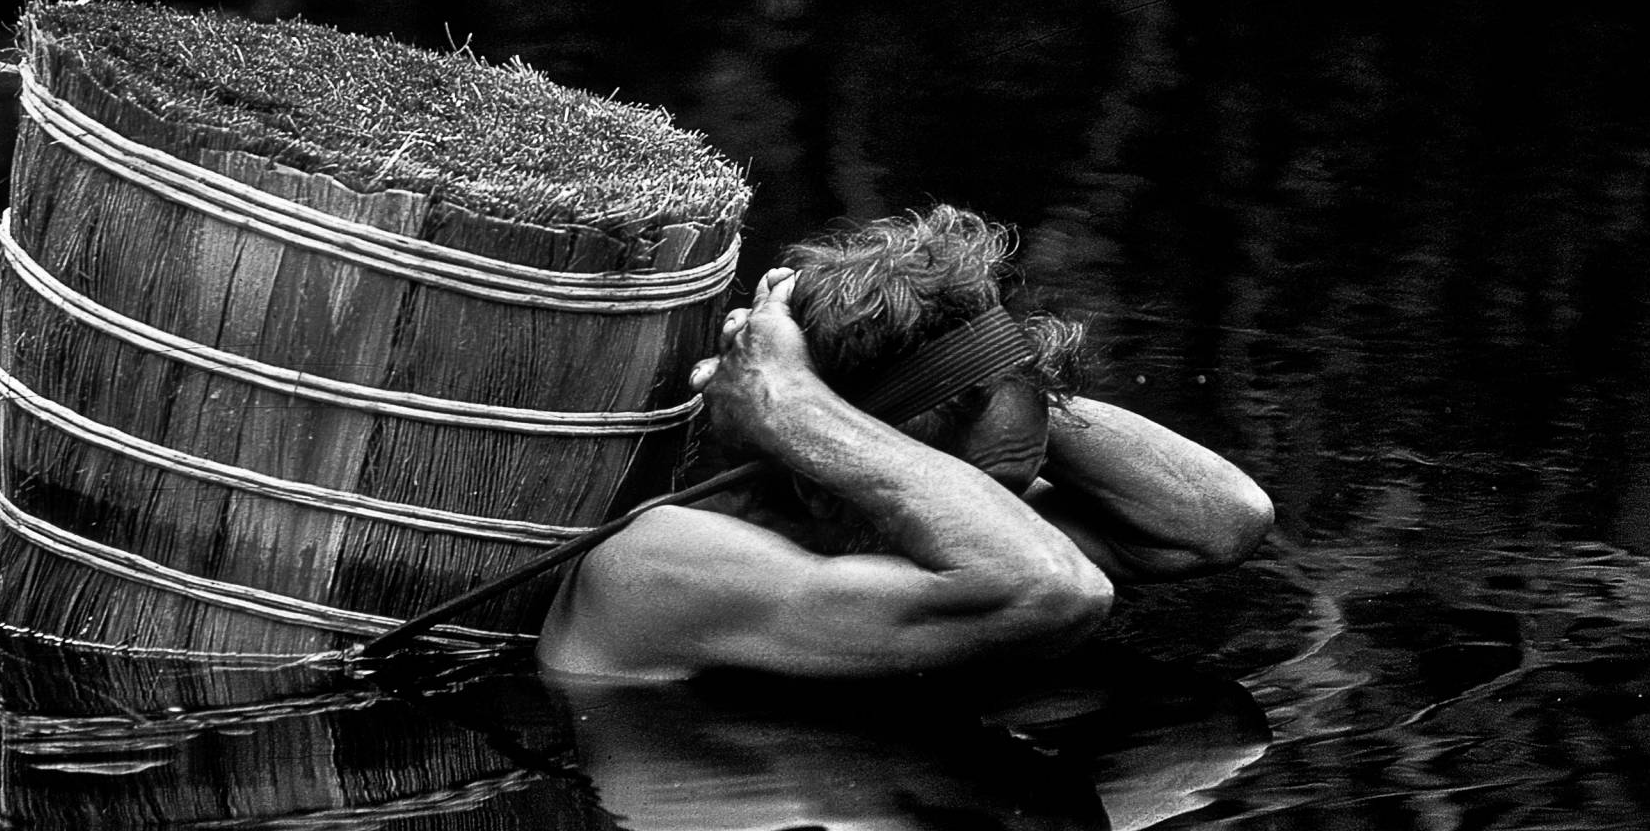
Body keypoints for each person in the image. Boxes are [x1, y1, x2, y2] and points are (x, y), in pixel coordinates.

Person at [538, 206, 1273, 681]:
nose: (1010, 510)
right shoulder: (658, 561)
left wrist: (1017, 377)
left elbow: (1218, 522)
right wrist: (793, 405)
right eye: (984, 491)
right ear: (817, 465)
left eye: (1011, 488)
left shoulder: (936, 527)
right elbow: (1058, 589)